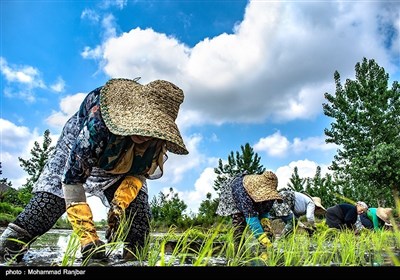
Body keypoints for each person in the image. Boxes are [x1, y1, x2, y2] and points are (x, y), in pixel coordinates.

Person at [0, 78, 188, 262]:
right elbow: (73, 178)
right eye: (140, 123)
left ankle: (132, 259)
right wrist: (88, 239)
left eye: (151, 129)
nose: (142, 132)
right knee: (45, 207)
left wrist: (119, 205)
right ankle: (6, 250)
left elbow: (138, 173)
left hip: (120, 163)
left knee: (138, 219)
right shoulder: (100, 121)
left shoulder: (155, 144)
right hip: (77, 150)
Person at [216, 170, 283, 252]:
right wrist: (265, 242)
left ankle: (265, 249)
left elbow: (265, 213)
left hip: (249, 195)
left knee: (266, 228)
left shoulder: (270, 196)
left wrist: (266, 228)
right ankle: (238, 252)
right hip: (235, 194)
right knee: (239, 223)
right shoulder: (242, 191)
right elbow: (252, 220)